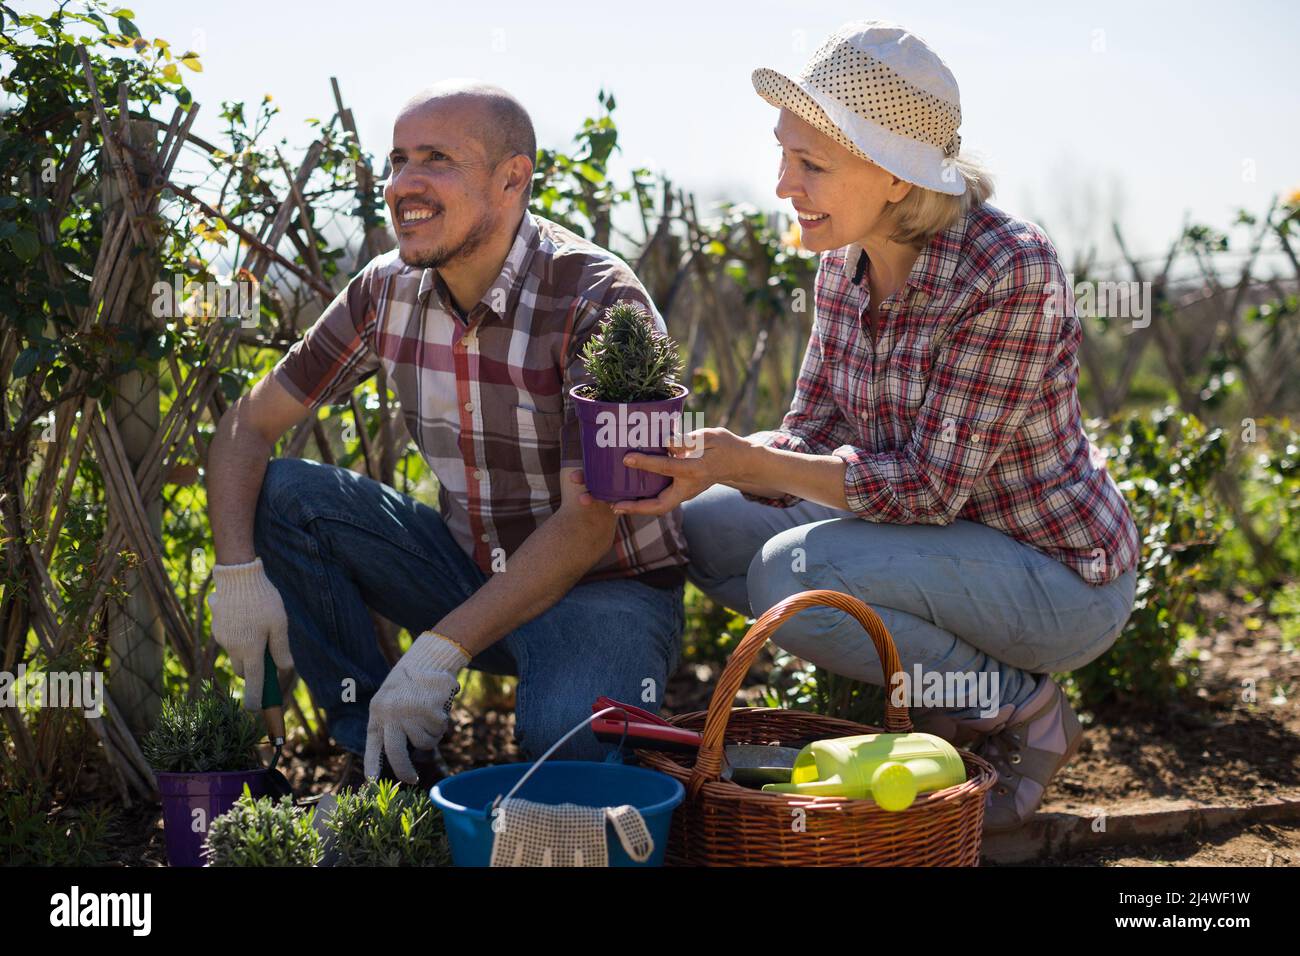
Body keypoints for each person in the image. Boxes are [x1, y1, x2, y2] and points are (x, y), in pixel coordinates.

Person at [590, 21, 1140, 832]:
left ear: (895, 178)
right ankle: (934, 709)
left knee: (789, 576)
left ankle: (1021, 710)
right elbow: (807, 434)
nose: (783, 184)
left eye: (811, 164)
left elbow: (928, 487)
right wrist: (712, 465)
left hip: (1053, 574)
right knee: (700, 529)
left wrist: (755, 463)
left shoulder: (1009, 270)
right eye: (784, 154)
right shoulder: (841, 267)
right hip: (927, 542)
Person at [204, 80, 687, 786]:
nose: (405, 183)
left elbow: (589, 520)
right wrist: (237, 576)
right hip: (468, 569)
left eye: (436, 159)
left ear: (511, 179)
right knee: (285, 494)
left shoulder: (599, 298)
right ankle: (382, 770)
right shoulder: (384, 289)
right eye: (398, 160)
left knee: (566, 750)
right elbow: (250, 423)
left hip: (604, 586)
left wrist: (439, 651)